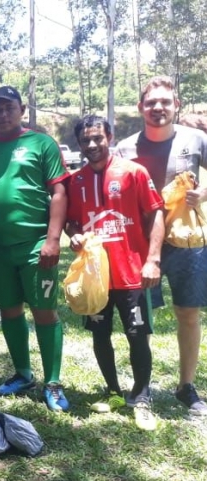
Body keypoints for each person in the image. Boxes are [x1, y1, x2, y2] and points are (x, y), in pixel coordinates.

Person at [0, 86, 70, 411]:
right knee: (9, 310)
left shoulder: (41, 143)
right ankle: (23, 374)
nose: (3, 113)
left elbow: (59, 192)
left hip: (35, 245)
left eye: (9, 107)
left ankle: (52, 382)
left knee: (44, 311)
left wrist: (53, 239)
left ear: (22, 109)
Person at [116, 76, 207, 417]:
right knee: (142, 319)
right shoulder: (125, 149)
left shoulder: (196, 139)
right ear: (141, 108)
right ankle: (143, 385)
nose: (158, 108)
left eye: (165, 102)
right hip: (140, 245)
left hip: (188, 240)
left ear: (176, 105)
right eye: (151, 103)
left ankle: (186, 386)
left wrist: (203, 193)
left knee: (188, 312)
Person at [66, 115, 164, 430]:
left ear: (110, 136)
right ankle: (112, 391)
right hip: (96, 277)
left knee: (137, 335)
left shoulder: (134, 172)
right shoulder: (76, 180)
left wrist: (153, 259)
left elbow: (156, 213)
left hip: (132, 272)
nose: (92, 145)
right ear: (79, 143)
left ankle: (142, 395)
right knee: (100, 333)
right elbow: (72, 223)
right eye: (86, 140)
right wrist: (75, 236)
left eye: (98, 138)